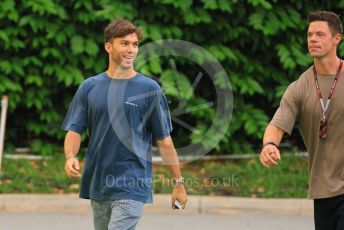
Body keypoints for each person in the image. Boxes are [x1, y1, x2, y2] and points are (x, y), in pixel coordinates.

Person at [61, 18, 187, 230]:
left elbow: (164, 139)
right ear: (108, 46)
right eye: (125, 43)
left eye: (135, 44)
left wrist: (178, 183)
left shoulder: (149, 89)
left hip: (132, 182)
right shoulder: (89, 87)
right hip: (99, 182)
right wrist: (70, 156)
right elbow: (75, 128)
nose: (131, 50)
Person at [260, 11, 343, 230]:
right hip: (324, 189)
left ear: (337, 38)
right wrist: (269, 145)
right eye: (309, 35)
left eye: (319, 34)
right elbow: (276, 126)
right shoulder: (300, 87)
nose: (312, 39)